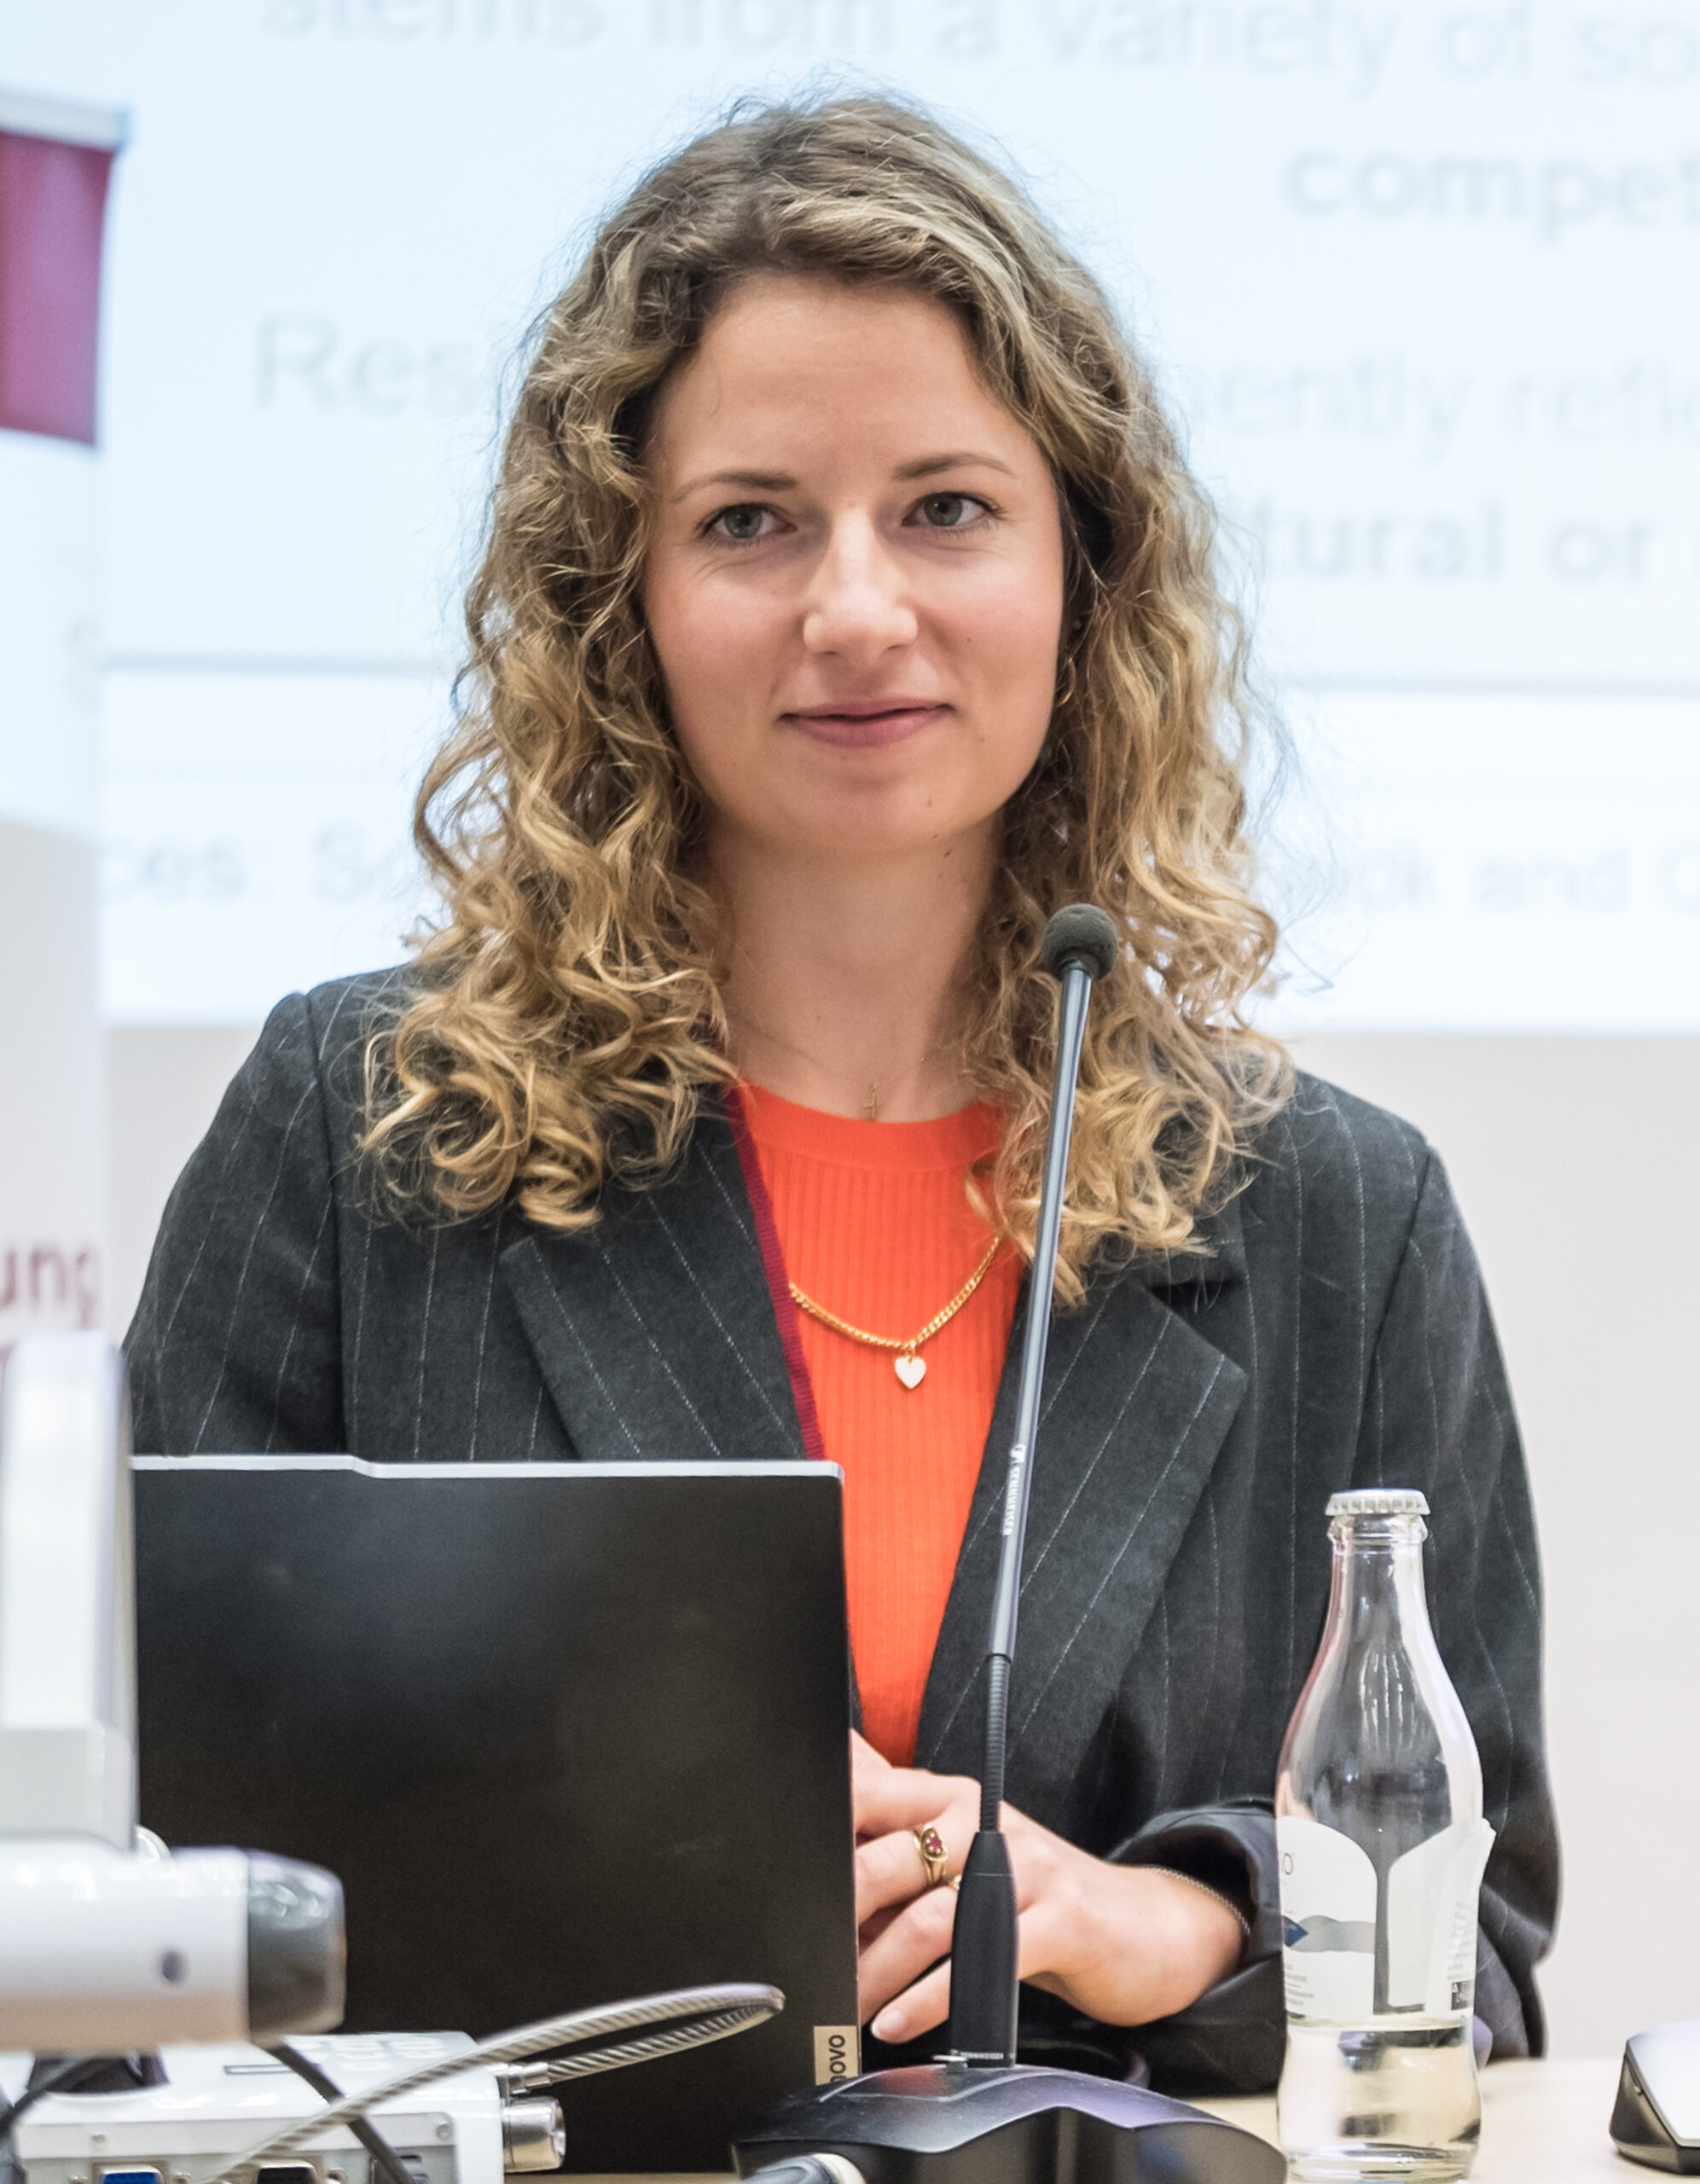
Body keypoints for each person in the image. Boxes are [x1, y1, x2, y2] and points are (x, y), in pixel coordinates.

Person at [125, 95, 1558, 2093]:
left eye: (946, 507)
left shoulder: (1337, 1215)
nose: (859, 609)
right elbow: (118, 1853)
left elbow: (1473, 1957)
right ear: (619, 599)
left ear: (1083, 570)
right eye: (751, 519)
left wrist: (1173, 1917)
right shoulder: (366, 1130)